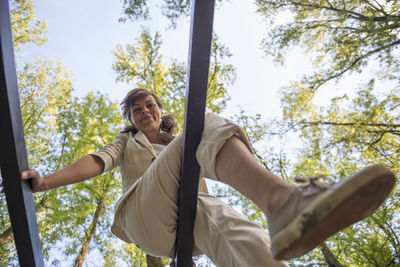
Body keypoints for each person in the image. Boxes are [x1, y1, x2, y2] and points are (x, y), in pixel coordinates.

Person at [21, 88, 396, 266]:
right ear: (132, 119)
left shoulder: (181, 142)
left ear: (159, 109)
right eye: (136, 110)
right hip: (145, 218)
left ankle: (282, 219)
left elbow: (221, 165)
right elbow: (95, 162)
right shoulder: (127, 142)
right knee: (201, 124)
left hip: (195, 221)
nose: (143, 111)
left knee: (242, 231)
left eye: (149, 105)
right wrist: (45, 182)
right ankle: (283, 201)